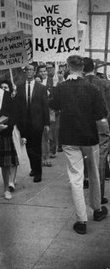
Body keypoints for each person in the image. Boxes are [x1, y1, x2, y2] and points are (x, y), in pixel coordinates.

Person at [51, 55, 108, 234]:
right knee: (94, 174)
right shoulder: (91, 88)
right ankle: (97, 209)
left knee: (75, 178)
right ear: (82, 67)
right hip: (90, 137)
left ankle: (81, 221)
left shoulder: (61, 88)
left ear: (68, 67)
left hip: (69, 138)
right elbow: (101, 116)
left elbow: (52, 105)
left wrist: (58, 83)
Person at [16, 64, 50, 183]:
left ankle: (38, 172)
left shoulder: (41, 88)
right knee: (28, 147)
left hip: (37, 122)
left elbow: (45, 106)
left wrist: (46, 123)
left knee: (36, 147)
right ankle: (33, 168)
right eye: (27, 70)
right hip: (24, 122)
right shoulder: (19, 88)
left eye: (31, 70)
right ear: (25, 72)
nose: (29, 72)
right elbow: (18, 107)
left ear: (34, 72)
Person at [83, 57, 110, 204]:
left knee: (85, 156)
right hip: (101, 124)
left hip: (84, 125)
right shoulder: (104, 84)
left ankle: (86, 180)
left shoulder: (78, 85)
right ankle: (99, 196)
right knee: (101, 158)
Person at [0, 78, 20, 191]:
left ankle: (12, 181)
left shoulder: (13, 100)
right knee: (6, 160)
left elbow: (16, 116)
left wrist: (8, 125)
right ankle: (8, 181)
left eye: (6, 88)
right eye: (1, 88)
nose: (3, 90)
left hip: (12, 130)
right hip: (2, 132)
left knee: (13, 158)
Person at [36, 64, 52, 168]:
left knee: (46, 137)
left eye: (44, 71)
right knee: (38, 138)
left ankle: (47, 157)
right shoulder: (35, 82)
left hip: (49, 111)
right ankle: (40, 158)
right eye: (41, 71)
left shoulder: (51, 81)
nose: (43, 73)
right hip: (37, 114)